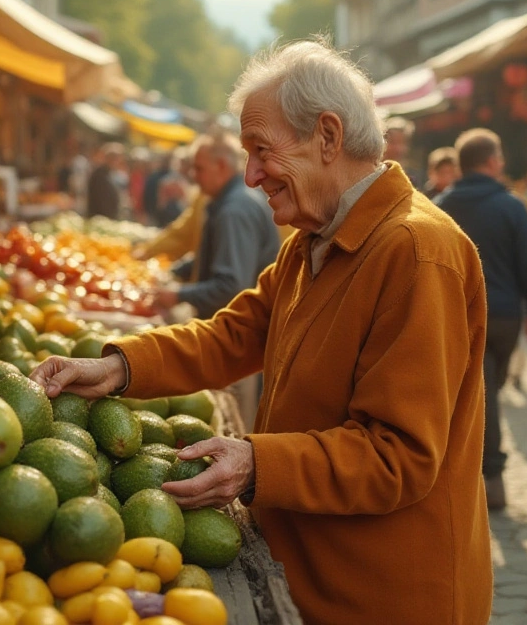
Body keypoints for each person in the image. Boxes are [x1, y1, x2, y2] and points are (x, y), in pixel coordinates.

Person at [30, 40, 492, 625]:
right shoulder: (315, 240)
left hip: (384, 596)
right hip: (311, 572)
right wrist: (118, 367)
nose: (249, 176)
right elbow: (235, 334)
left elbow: (397, 455)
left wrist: (255, 462)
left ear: (327, 137)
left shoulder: (418, 253)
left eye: (261, 151)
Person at [436, 128, 527, 510]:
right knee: (487, 392)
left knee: (478, 394)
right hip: (503, 315)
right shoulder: (512, 206)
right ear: (493, 162)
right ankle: (491, 475)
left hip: (458, 314)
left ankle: (480, 476)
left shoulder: (440, 206)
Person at [152, 132, 279, 319]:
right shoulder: (232, 201)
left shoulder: (235, 210)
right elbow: (217, 257)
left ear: (220, 166)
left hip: (239, 333)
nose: (193, 176)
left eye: (199, 168)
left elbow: (231, 287)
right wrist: (172, 272)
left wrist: (178, 295)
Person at [86, 142, 124, 219]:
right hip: (100, 219)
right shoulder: (99, 175)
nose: (118, 162)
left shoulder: (108, 173)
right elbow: (101, 201)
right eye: (115, 158)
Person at [383, 116, 423, 185]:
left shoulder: (412, 175)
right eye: (393, 142)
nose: (398, 148)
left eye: (402, 142)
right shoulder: (374, 171)